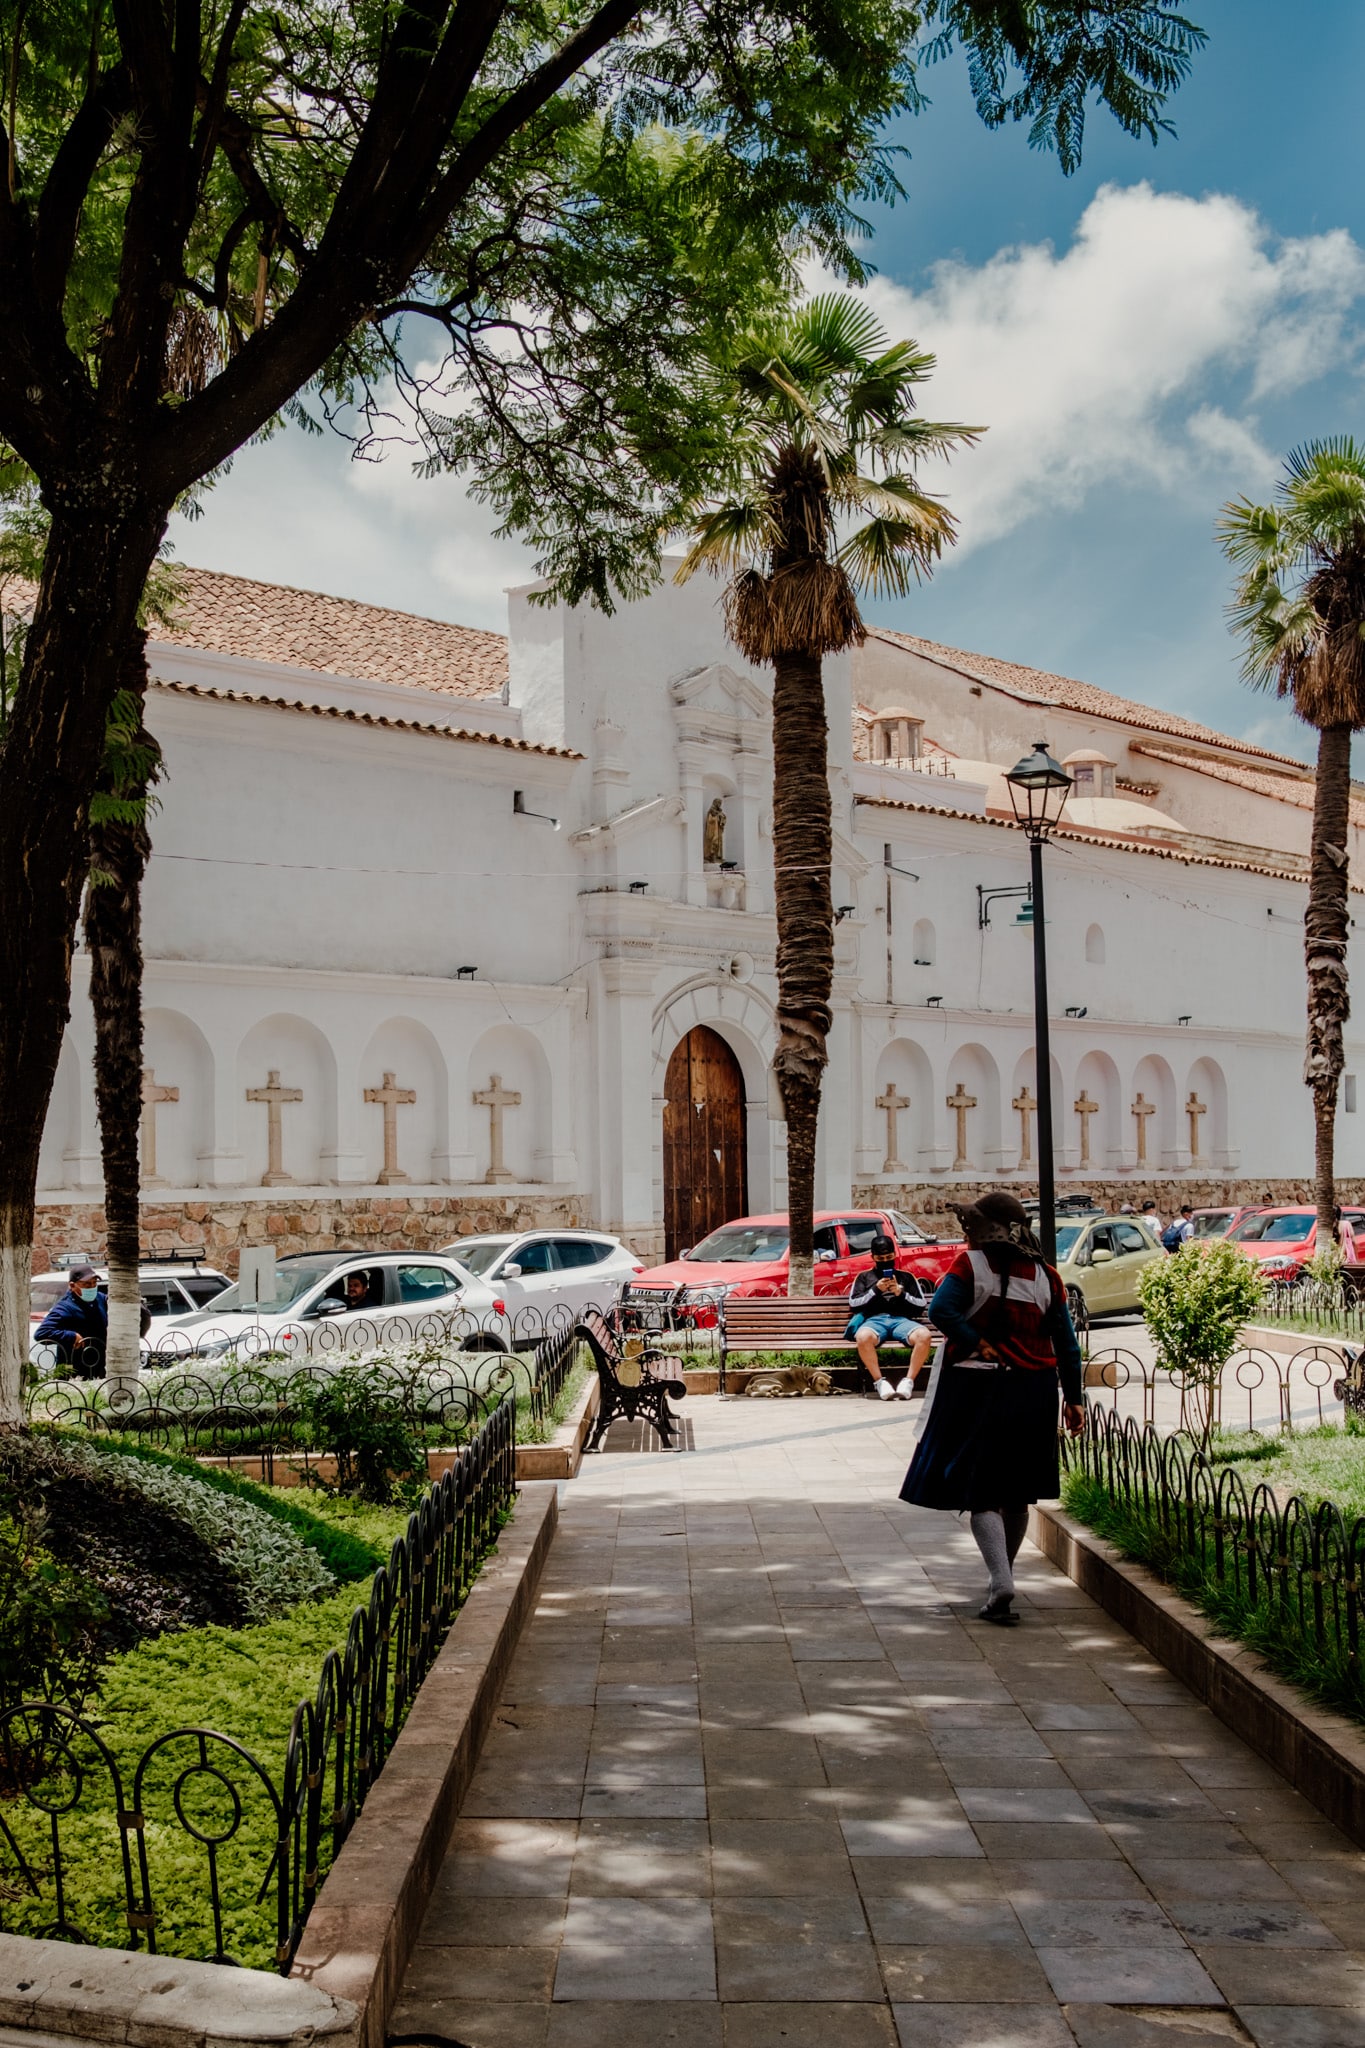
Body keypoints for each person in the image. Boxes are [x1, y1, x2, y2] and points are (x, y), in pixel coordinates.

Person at [899, 1192, 1084, 1627]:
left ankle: (1000, 1579)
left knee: (982, 1492)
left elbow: (941, 1309)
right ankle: (1003, 1576)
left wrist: (974, 1338)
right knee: (1018, 1492)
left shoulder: (970, 1266)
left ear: (983, 1230)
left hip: (979, 1388)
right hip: (1035, 1391)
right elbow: (1067, 1346)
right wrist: (1073, 1398)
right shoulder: (1048, 1277)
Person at [847, 1236, 933, 1401]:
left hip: (901, 1320)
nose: (885, 1261)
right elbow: (854, 1303)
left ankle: (908, 1382)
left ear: (895, 1255)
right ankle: (880, 1382)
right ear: (873, 1257)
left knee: (924, 1335)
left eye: (889, 1258)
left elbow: (921, 1304)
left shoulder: (906, 1277)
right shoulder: (864, 1277)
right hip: (874, 1320)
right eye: (881, 1259)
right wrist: (875, 1290)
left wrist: (901, 1294)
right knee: (862, 1337)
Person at [33, 1263, 108, 1376]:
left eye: (94, 1283)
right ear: (72, 1286)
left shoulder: (100, 1299)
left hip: (100, 1367)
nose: (92, 1288)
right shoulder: (65, 1307)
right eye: (87, 1284)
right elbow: (42, 1333)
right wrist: (71, 1336)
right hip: (74, 1372)